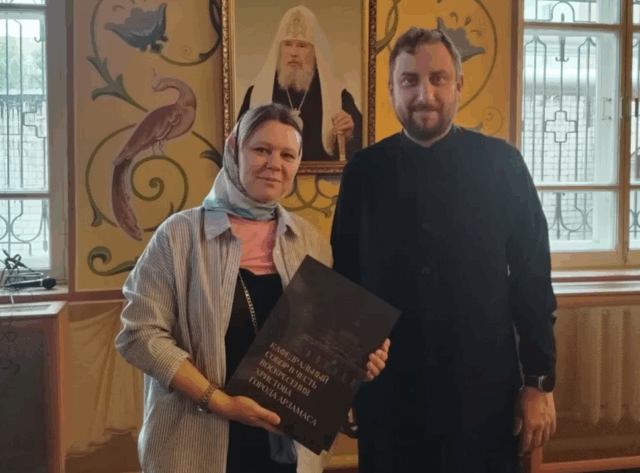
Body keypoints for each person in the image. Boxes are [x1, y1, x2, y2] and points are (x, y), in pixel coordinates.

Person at [115, 103, 390, 473]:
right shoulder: (179, 236)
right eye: (261, 149)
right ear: (233, 149)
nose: (274, 164)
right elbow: (139, 335)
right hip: (198, 445)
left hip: (289, 449)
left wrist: (358, 360)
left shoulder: (309, 241)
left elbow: (324, 341)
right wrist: (221, 402)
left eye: (287, 155)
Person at [330, 27, 558, 473]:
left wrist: (538, 381)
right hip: (389, 395)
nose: (425, 95)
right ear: (392, 89)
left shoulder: (503, 164)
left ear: (459, 84)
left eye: (438, 78)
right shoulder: (363, 172)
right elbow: (346, 283)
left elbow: (532, 280)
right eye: (409, 81)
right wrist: (342, 383)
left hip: (483, 394)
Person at [238, 5, 362, 162]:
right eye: (288, 44)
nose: (294, 53)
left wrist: (350, 136)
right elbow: (237, 150)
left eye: (302, 46)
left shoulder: (338, 97)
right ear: (280, 49)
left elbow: (363, 153)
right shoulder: (257, 95)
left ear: (315, 52)